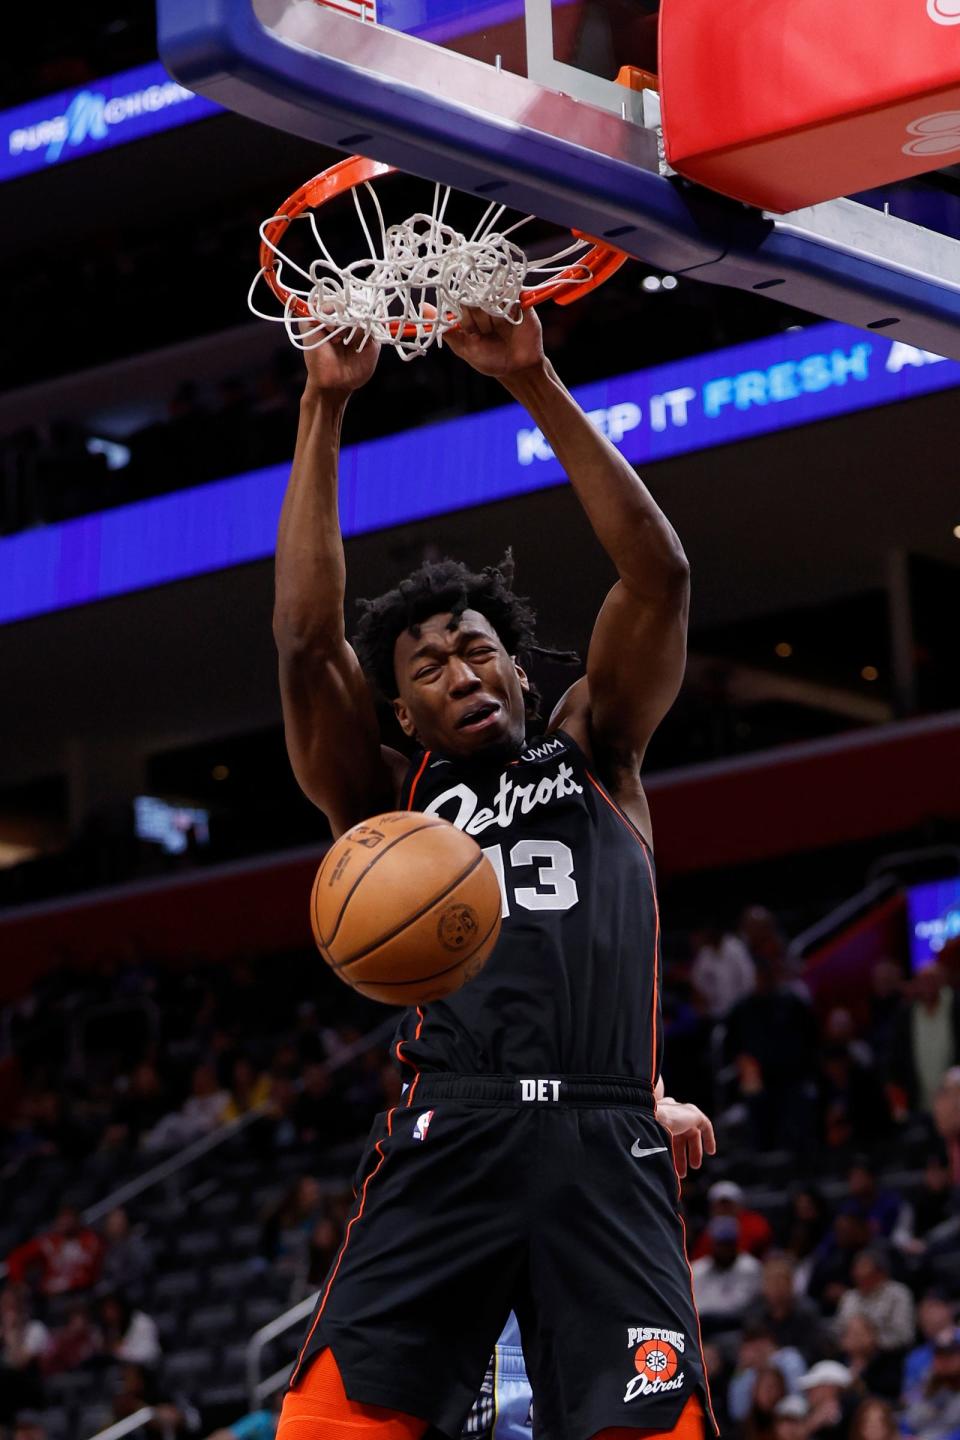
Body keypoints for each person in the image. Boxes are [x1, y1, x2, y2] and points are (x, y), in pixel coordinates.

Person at [271, 306, 714, 1439]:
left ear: (518, 667)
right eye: (429, 664)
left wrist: (534, 380)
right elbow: (307, 646)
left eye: (478, 648)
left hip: (605, 1131)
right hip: (451, 1130)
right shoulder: (382, 795)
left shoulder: (598, 746)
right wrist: (324, 405)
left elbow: (657, 576)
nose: (461, 670)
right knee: (331, 1426)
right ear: (402, 707)